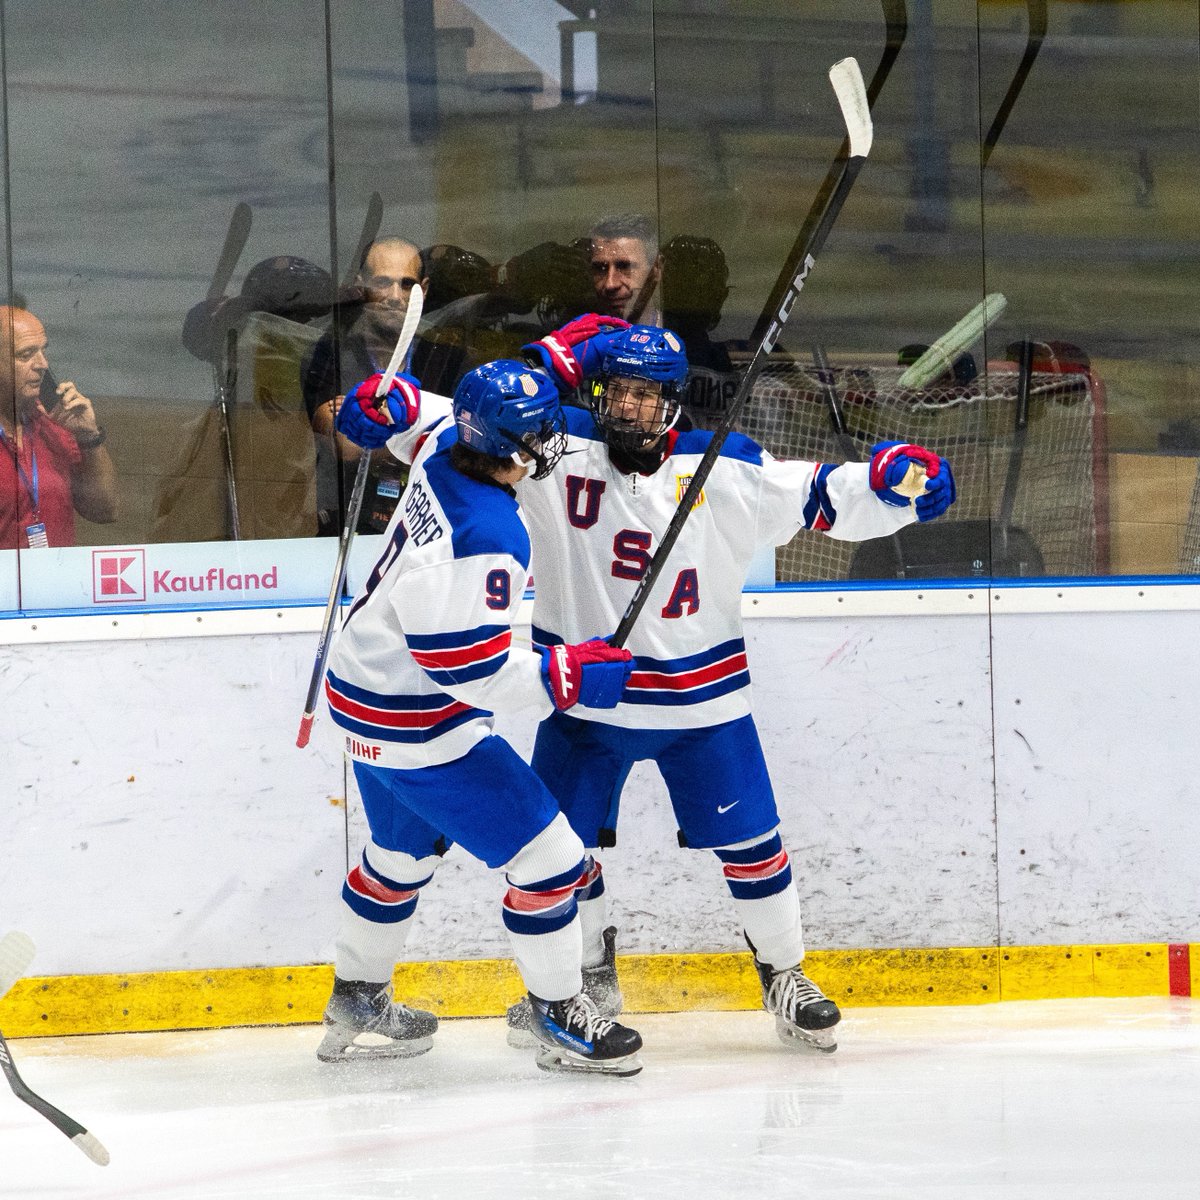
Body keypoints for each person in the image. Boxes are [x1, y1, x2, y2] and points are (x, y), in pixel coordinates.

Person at [336, 315, 955, 1056]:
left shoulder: (723, 465)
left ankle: (783, 974)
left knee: (755, 846)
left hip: (703, 702)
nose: (627, 406)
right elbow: (467, 426)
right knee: (562, 860)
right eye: (616, 390)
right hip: (585, 703)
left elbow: (819, 493)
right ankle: (583, 983)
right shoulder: (556, 451)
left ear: (672, 400)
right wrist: (398, 407)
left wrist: (894, 489)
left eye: (644, 393)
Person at [317, 357, 644, 1077]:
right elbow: (469, 670)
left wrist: (389, 400)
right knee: (554, 863)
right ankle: (558, 1016)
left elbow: (415, 417)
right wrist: (570, 674)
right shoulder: (489, 533)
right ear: (514, 446)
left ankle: (357, 999)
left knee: (396, 859)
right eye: (540, 432)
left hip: (364, 698)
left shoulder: (442, 451)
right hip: (421, 729)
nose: (551, 440)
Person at [301, 237, 430, 536]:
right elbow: (346, 444)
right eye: (383, 282)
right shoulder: (328, 352)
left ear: (423, 290)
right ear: (362, 286)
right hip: (348, 526)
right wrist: (423, 431)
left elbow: (459, 442)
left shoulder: (446, 355)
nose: (396, 296)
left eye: (407, 284)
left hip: (428, 524)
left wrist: (369, 419)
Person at [1, 304, 117, 549]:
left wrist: (89, 437)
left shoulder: (53, 426)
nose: (43, 364)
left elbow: (105, 510)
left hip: (57, 582)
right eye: (26, 354)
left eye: (43, 351)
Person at [585, 214, 662, 324]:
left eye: (625, 267)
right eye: (600, 268)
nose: (610, 284)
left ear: (656, 268)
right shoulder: (575, 336)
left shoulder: (686, 335)